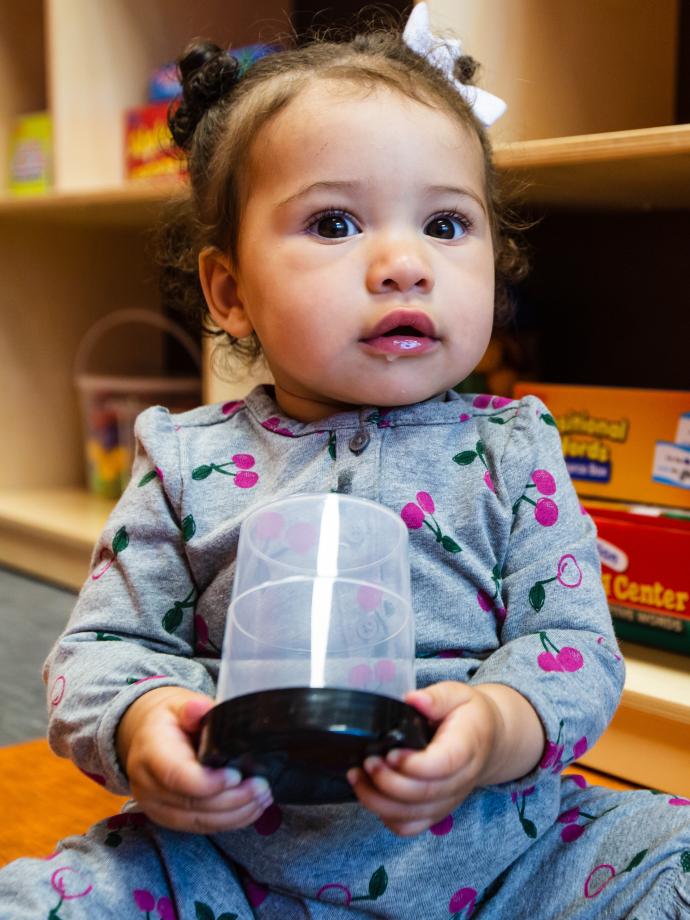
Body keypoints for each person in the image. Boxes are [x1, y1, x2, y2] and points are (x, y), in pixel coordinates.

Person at [2, 4, 689, 917]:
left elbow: (572, 648)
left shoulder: (514, 450)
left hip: (506, 865)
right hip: (225, 866)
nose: (404, 263)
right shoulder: (182, 460)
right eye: (334, 225)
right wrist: (141, 728)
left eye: (446, 226)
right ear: (231, 291)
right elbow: (101, 649)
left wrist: (492, 729)